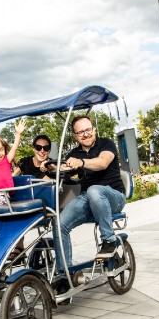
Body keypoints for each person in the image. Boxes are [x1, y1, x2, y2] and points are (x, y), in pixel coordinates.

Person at [55, 115, 126, 270]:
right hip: (87, 198)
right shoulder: (73, 154)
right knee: (59, 224)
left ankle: (108, 241)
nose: (85, 134)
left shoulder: (106, 143)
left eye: (88, 129)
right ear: (75, 135)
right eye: (80, 132)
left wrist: (81, 162)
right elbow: (63, 173)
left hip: (114, 196)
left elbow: (103, 163)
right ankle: (64, 273)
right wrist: (52, 168)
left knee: (94, 190)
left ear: (94, 129)